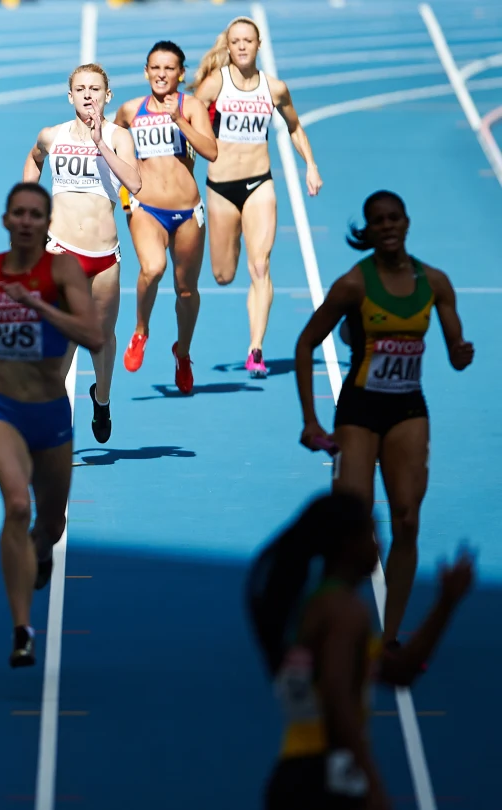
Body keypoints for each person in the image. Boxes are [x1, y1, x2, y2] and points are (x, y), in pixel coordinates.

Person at [294, 190, 474, 647]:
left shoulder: (435, 282)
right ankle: (331, 617)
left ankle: (389, 634)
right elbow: (305, 343)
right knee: (350, 525)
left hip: (408, 408)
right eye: (379, 220)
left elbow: (456, 352)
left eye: (395, 218)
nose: (389, 225)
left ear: (407, 223)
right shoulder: (353, 284)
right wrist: (311, 421)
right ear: (369, 231)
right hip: (359, 408)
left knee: (408, 519)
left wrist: (460, 353)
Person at [0, 181, 103, 667]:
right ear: (6, 220)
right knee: (17, 504)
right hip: (1, 410)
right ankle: (21, 629)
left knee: (50, 522)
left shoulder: (62, 271)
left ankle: (41, 548)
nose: (27, 221)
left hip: (51, 414)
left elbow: (94, 336)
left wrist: (37, 305)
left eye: (37, 214)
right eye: (19, 213)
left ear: (47, 222)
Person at [246, 490, 475, 810]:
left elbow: (400, 672)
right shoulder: (345, 612)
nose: (379, 544)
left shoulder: (319, 607)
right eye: (372, 534)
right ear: (347, 544)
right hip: (326, 778)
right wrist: (373, 786)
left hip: (300, 773)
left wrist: (446, 602)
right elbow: (337, 699)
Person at [191, 16, 322, 377]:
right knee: (222, 274)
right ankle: (228, 254)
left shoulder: (274, 88)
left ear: (259, 45)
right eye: (237, 41)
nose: (243, 46)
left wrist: (310, 164)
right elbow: (188, 123)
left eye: (249, 40)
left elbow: (294, 126)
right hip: (220, 188)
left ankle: (256, 348)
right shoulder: (214, 85)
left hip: (259, 184)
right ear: (229, 47)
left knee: (261, 265)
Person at [23, 63, 141, 441]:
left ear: (107, 96)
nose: (88, 94)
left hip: (105, 257)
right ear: (70, 95)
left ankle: (101, 400)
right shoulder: (51, 135)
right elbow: (34, 160)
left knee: (102, 337)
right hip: (61, 250)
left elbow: (135, 183)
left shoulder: (118, 136)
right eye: (81, 88)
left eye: (95, 88)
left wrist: (99, 143)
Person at [113, 41, 218, 394]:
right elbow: (114, 156)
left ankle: (183, 353)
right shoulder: (129, 111)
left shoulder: (193, 106)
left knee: (186, 290)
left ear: (180, 73)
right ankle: (141, 330)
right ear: (146, 72)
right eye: (155, 68)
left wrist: (177, 120)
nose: (161, 74)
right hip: (147, 208)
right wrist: (124, 203)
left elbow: (211, 151)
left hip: (188, 212)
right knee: (153, 268)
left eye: (169, 68)